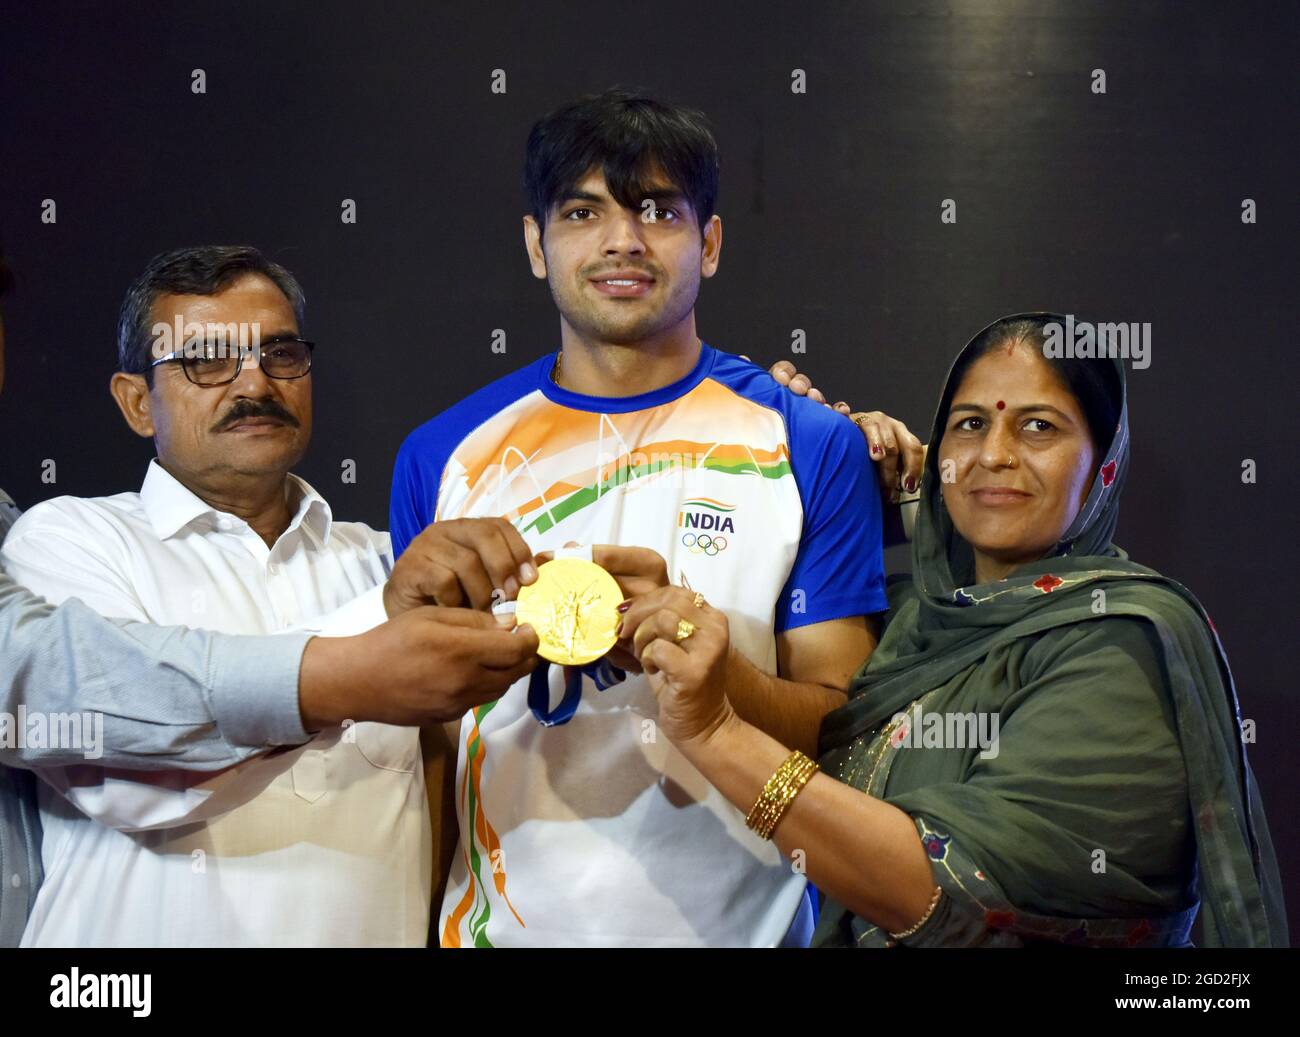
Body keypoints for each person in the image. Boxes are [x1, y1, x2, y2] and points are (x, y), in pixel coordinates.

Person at [378, 89, 923, 947]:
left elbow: (846, 729)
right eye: (583, 211)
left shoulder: (809, 443)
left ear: (707, 243)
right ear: (536, 243)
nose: (622, 239)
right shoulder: (441, 454)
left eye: (659, 210)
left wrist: (717, 678)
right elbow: (428, 747)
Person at [621, 312, 1288, 947]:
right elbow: (805, 694)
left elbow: (948, 892)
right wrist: (800, 455)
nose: (993, 454)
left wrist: (717, 735)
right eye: (970, 425)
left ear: (1104, 469)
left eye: (1039, 428)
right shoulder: (918, 626)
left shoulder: (1123, 644)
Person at [1, 245, 545, 946]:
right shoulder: (69, 539)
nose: (254, 381)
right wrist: (377, 628)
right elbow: (131, 784)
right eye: (206, 360)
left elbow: (462, 793)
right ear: (138, 402)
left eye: (280, 353)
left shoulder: (383, 555)